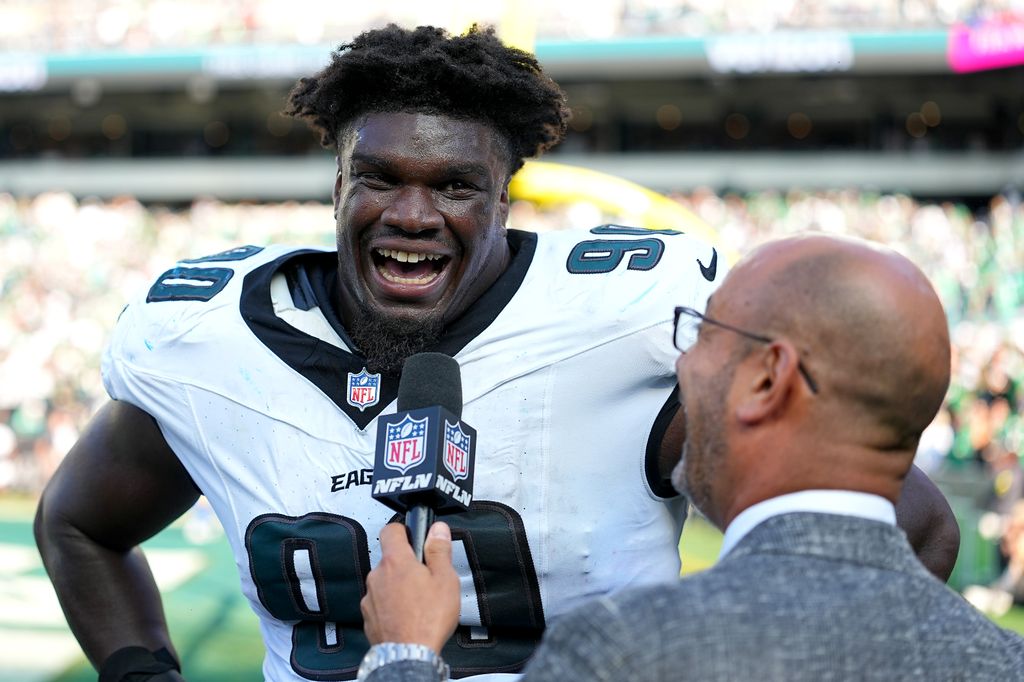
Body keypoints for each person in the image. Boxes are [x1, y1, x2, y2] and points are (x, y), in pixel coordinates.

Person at [35, 25, 957, 682]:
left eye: (455, 186)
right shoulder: (207, 339)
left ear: (506, 200)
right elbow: (78, 524)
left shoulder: (624, 327)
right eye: (379, 178)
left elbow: (908, 525)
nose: (411, 214)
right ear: (337, 186)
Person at [357, 233, 1024, 682]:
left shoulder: (624, 650)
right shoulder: (1002, 660)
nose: (683, 363)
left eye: (703, 334)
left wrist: (403, 653)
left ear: (768, 379)